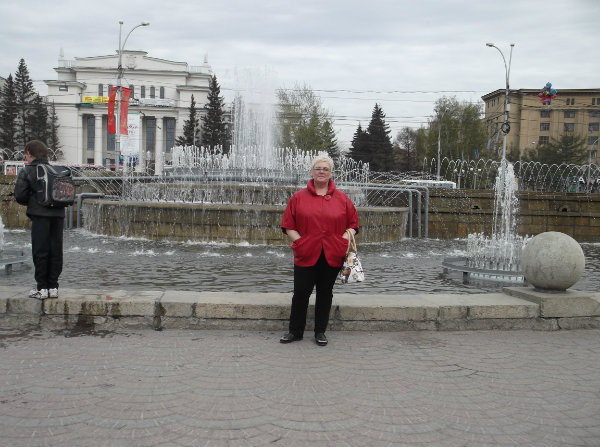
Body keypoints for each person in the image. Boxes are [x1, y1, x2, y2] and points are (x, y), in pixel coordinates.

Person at [280, 154, 359, 346]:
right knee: (301, 293)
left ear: (331, 173)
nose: (321, 171)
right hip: (306, 253)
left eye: (325, 169)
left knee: (325, 293)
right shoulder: (298, 198)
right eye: (318, 168)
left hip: (332, 253)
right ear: (312, 172)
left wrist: (342, 239)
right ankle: (295, 331)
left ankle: (320, 332)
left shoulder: (342, 199)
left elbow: (354, 225)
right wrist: (300, 242)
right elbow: (288, 225)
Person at [14, 140, 65, 299]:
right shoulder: (57, 170)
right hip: (58, 215)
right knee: (56, 250)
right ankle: (53, 287)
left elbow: (20, 195)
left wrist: (33, 200)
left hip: (40, 216)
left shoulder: (28, 170)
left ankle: (42, 288)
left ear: (29, 153)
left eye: (26, 154)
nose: (25, 157)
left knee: (40, 250)